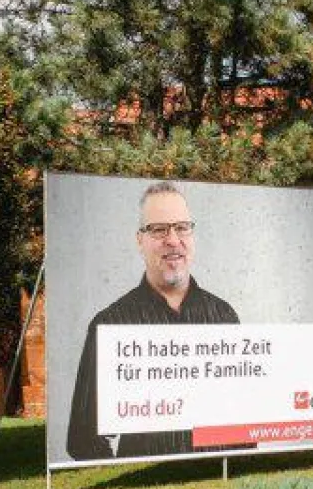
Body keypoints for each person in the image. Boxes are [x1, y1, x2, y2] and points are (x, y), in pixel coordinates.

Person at [66, 181, 238, 461]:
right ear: (140, 240)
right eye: (159, 229)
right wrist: (130, 477)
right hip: (147, 481)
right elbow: (83, 438)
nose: (173, 240)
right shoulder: (110, 325)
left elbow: (240, 416)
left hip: (217, 478)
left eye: (182, 227)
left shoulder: (223, 316)